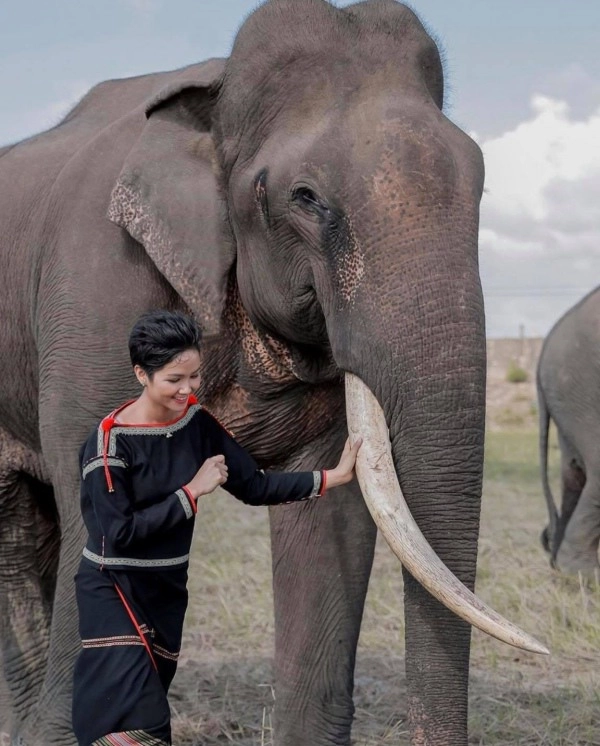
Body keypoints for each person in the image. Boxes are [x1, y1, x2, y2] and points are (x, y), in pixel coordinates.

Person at [72, 309, 361, 746]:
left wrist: (330, 477)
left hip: (166, 591)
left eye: (194, 376)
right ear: (141, 374)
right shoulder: (109, 443)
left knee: (140, 718)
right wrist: (191, 493)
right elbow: (118, 535)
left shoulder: (196, 424)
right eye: (174, 379)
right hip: (113, 587)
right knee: (139, 722)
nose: (188, 389)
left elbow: (255, 486)